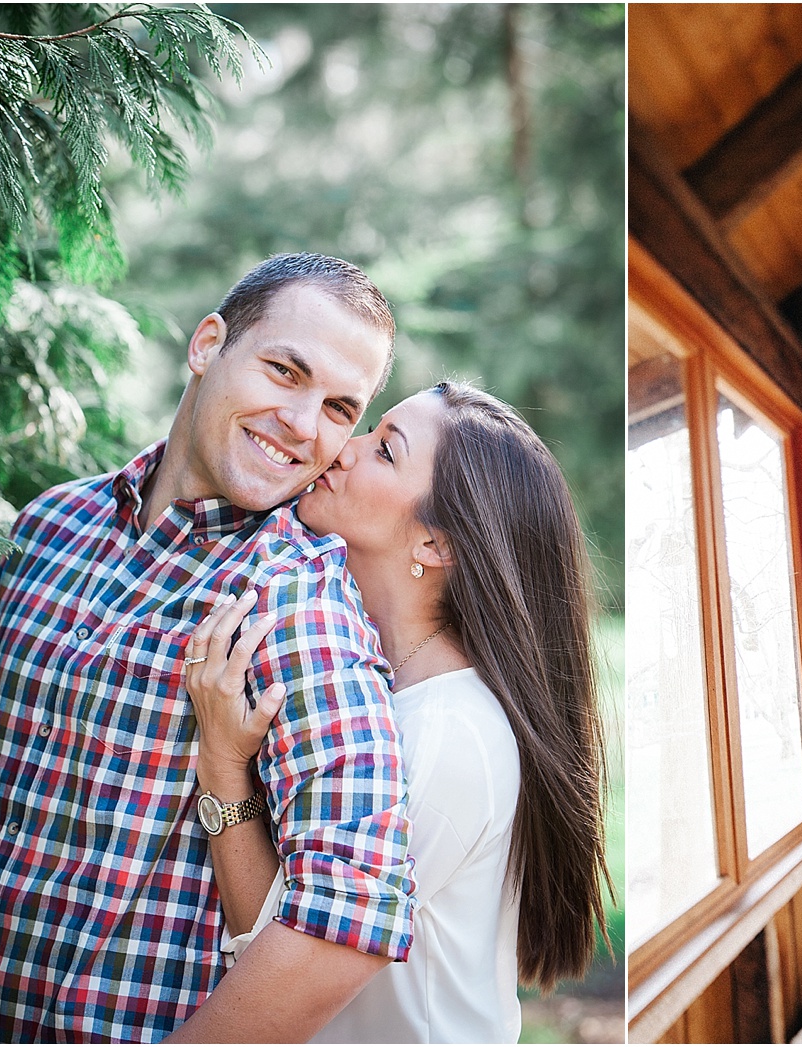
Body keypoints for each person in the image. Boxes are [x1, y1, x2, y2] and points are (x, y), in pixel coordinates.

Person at [0, 254, 418, 1043]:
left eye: (338, 407)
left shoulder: (292, 601)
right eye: (284, 370)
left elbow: (353, 914)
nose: (302, 424)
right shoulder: (51, 526)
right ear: (206, 344)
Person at [181, 381, 611, 1042]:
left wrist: (222, 766)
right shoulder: (376, 691)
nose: (342, 451)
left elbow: (278, 969)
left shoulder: (445, 735)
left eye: (385, 450)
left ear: (436, 545)